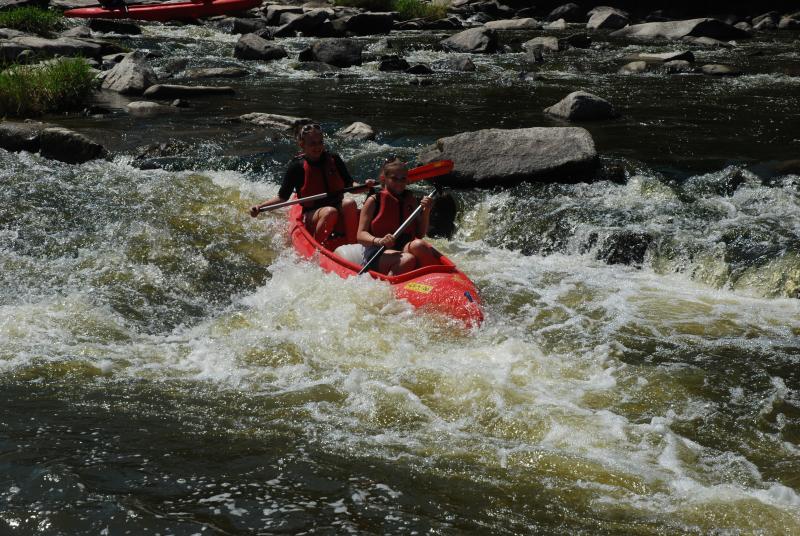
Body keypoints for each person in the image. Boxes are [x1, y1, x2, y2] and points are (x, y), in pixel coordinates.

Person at [249, 123, 372, 245]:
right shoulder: (296, 166)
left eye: (320, 142)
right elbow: (282, 197)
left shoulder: (334, 159)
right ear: (302, 144)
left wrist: (365, 187)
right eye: (312, 143)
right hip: (312, 213)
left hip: (336, 204)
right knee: (330, 212)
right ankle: (317, 248)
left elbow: (350, 185)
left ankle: (353, 244)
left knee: (350, 203)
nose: (318, 147)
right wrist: (260, 207)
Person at [357, 157, 440, 275]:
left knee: (419, 245)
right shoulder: (374, 200)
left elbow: (420, 234)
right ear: (383, 179)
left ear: (407, 180)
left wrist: (426, 210)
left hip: (402, 247)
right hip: (377, 252)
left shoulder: (410, 200)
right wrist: (379, 241)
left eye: (403, 179)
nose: (399, 183)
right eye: (394, 179)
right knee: (407, 259)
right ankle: (391, 288)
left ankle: (433, 278)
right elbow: (360, 235)